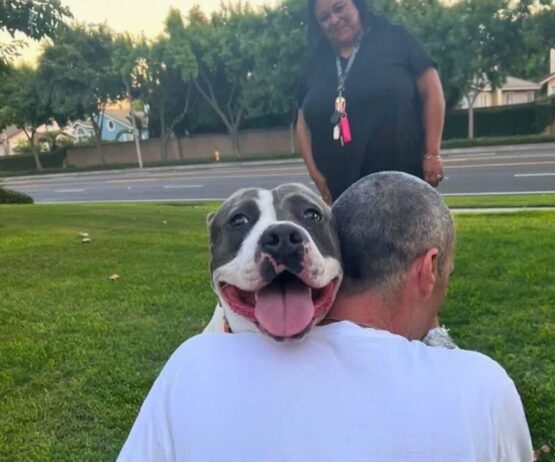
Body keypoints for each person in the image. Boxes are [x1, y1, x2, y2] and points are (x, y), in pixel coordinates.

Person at [118, 172, 533, 461]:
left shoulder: (189, 367)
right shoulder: (480, 384)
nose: (280, 235)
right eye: (241, 221)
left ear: (342, 248)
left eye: (310, 217)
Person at [296, 0, 446, 205]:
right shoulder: (314, 63)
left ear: (357, 5)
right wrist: (315, 174)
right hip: (343, 194)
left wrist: (432, 153)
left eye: (339, 8)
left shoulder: (394, 38)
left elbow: (432, 91)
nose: (334, 20)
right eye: (324, 17)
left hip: (402, 185)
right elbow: (302, 122)